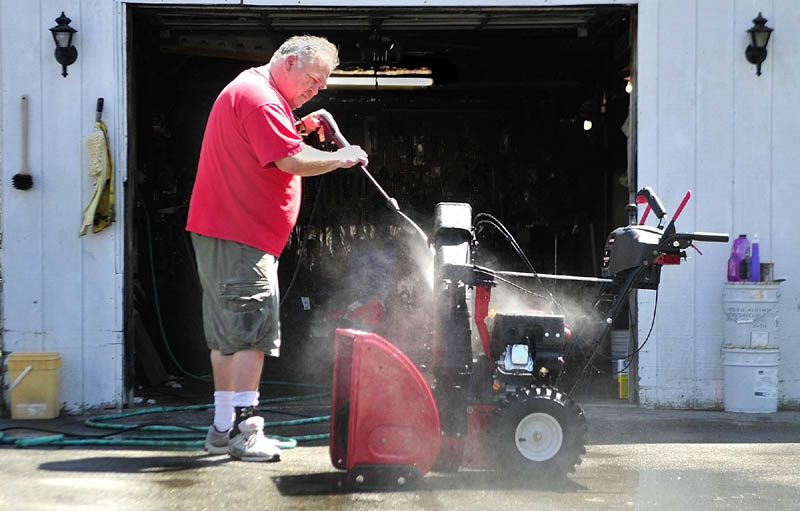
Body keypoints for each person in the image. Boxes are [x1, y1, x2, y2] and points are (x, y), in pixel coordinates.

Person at [186, 35, 368, 462]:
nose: (316, 90)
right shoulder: (261, 100)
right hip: (240, 236)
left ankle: (220, 428)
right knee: (251, 333)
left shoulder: (254, 91)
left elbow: (271, 142)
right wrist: (343, 157)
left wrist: (300, 125)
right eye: (312, 79)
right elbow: (289, 160)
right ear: (288, 63)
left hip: (226, 233)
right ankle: (247, 431)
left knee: (228, 337)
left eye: (321, 85)